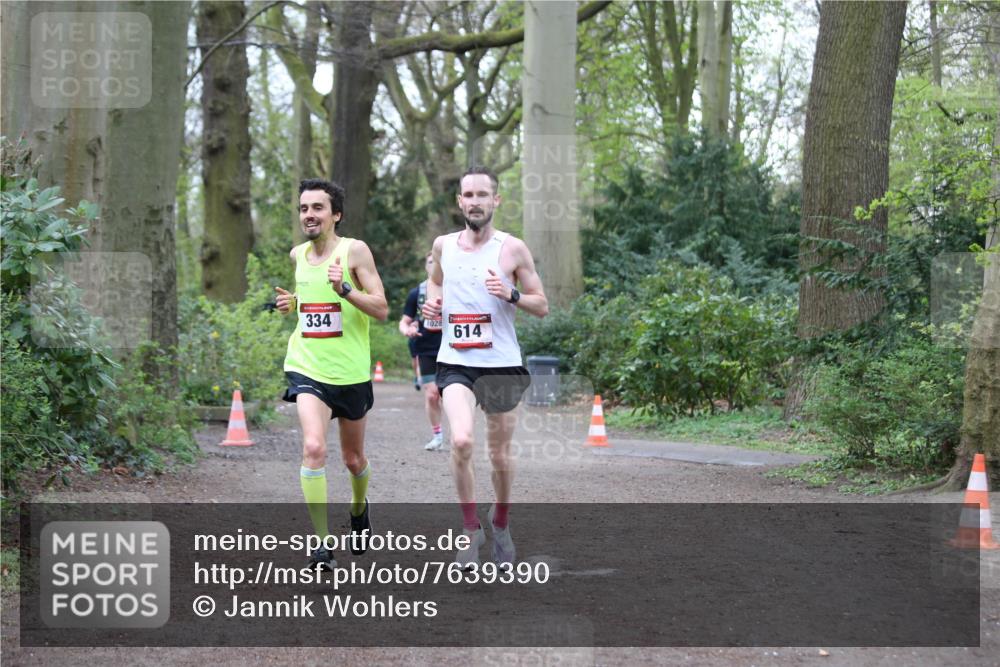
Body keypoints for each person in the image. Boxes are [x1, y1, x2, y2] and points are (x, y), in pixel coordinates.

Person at [422, 166, 548, 569]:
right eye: (468, 195)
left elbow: (541, 305)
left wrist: (511, 294)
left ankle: (502, 524)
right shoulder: (443, 245)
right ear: (459, 202)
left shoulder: (513, 249)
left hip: (500, 363)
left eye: (482, 194)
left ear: (496, 201)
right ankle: (470, 530)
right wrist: (434, 305)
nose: (475, 201)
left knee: (499, 455)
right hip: (456, 360)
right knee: (460, 441)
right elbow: (436, 281)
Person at [274, 178, 389, 571]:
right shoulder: (297, 255)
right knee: (313, 448)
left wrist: (345, 291)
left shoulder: (354, 252)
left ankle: (359, 509)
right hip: (307, 366)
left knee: (353, 459)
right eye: (304, 208)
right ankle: (322, 547)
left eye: (318, 208)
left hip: (351, 372)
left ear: (335, 214)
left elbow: (381, 308)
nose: (309, 215)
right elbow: (309, 301)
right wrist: (293, 303)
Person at [398, 253, 446, 451]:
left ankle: (462, 433)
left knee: (450, 395)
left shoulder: (455, 290)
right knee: (432, 394)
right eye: (430, 262)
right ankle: (437, 435)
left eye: (438, 261)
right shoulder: (416, 293)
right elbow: (404, 321)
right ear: (426, 267)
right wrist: (407, 330)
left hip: (452, 348)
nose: (434, 265)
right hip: (425, 348)